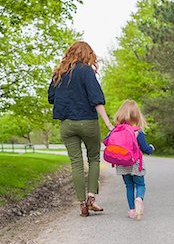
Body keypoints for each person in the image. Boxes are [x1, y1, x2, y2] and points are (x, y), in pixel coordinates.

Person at [48, 41, 114, 217]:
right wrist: (108, 124)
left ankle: (82, 204)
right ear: (87, 54)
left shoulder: (59, 73)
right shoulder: (86, 71)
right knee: (93, 159)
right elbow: (96, 99)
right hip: (87, 122)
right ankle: (91, 198)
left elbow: (51, 97)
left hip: (67, 125)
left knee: (76, 164)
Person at [113, 99, 154, 220]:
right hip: (136, 163)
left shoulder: (116, 131)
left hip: (121, 163)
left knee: (129, 186)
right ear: (137, 116)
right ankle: (139, 199)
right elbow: (146, 149)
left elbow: (108, 143)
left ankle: (131, 210)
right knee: (140, 184)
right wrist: (151, 148)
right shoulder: (138, 132)